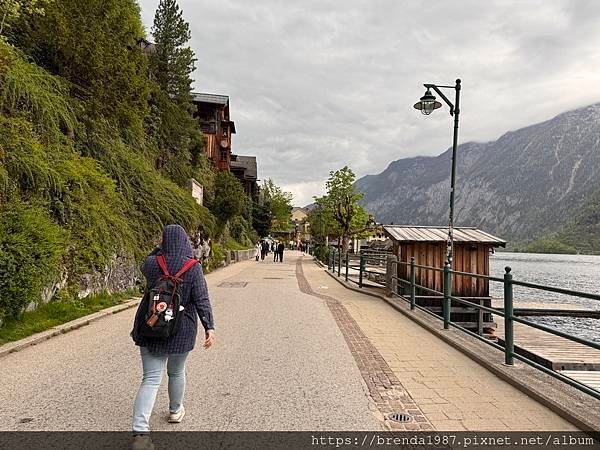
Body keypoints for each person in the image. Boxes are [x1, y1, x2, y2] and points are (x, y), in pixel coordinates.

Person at [130, 225, 215, 448]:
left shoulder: (152, 264)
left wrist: (159, 250)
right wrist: (209, 327)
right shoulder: (193, 267)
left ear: (164, 241)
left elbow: (146, 262)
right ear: (185, 242)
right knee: (176, 371)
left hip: (151, 325)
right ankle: (175, 411)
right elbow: (201, 299)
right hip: (182, 329)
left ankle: (140, 434)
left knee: (150, 379)